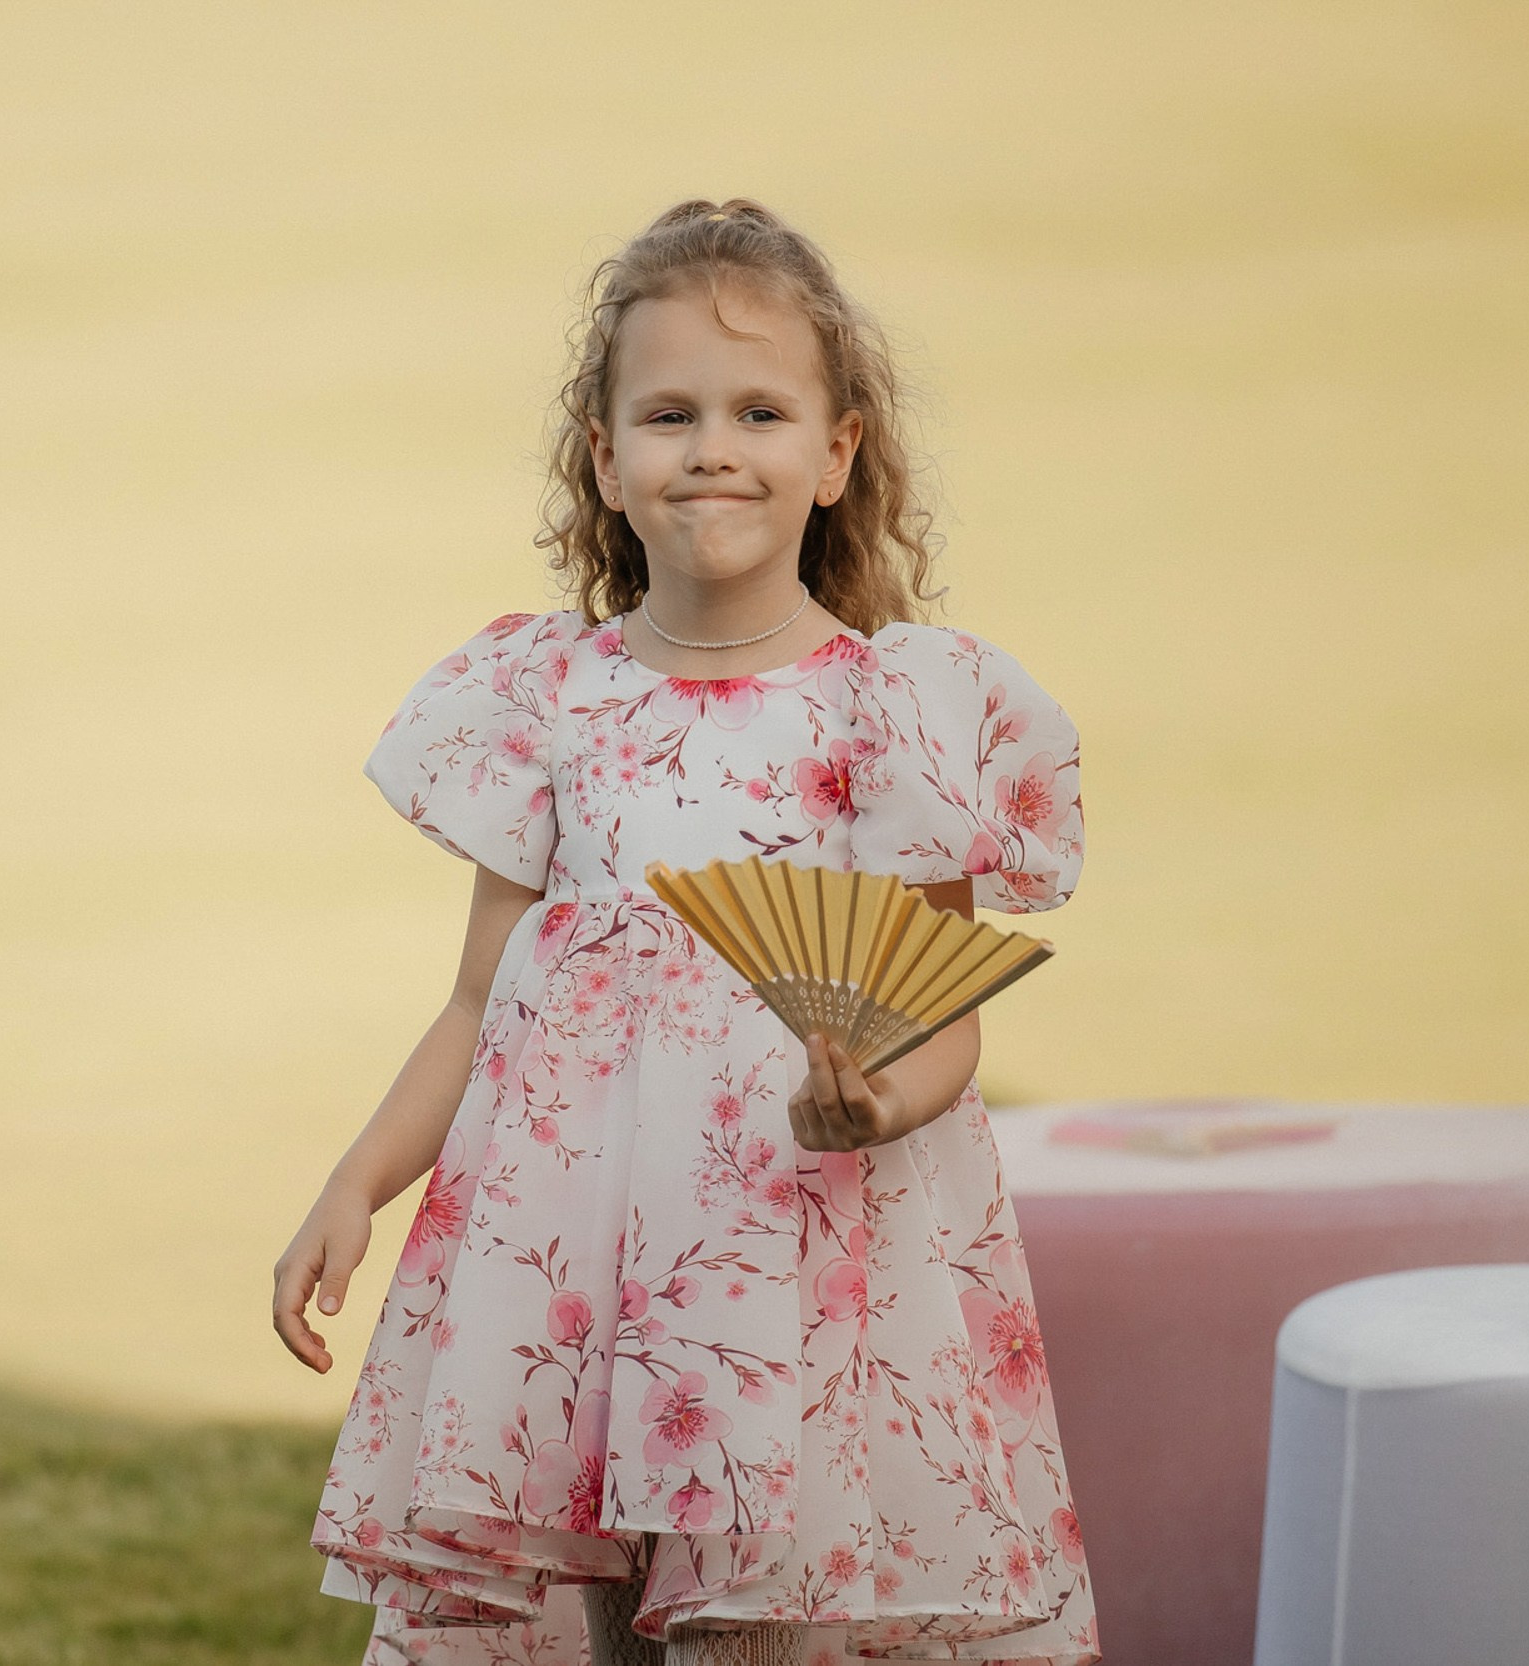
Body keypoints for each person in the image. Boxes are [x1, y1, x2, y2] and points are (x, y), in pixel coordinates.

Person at [272, 199, 1100, 1666]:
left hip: (793, 1253)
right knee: (609, 1610)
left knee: (760, 1619)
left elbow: (943, 1007)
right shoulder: (550, 701)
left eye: (760, 409)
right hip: (574, 1258)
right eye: (668, 412)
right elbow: (477, 1000)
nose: (713, 446)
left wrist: (876, 1097)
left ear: (838, 452)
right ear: (604, 456)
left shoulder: (891, 709)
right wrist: (360, 1179)